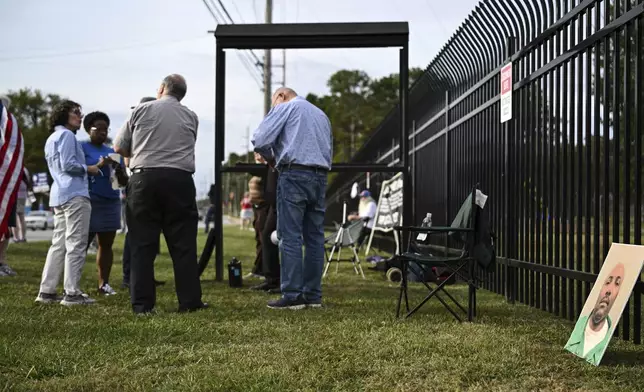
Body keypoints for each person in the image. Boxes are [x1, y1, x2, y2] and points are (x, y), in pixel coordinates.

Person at [114, 74, 206, 314]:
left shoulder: (141, 110)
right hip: (180, 179)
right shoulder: (191, 116)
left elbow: (119, 147)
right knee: (184, 245)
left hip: (145, 179)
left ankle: (143, 305)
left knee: (142, 245)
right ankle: (190, 302)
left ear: (163, 88)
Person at [252, 87, 332, 310]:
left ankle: (293, 294)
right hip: (320, 176)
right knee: (315, 238)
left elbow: (259, 139)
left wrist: (271, 158)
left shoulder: (286, 107)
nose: (273, 108)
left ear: (280, 96)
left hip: (293, 174)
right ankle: (313, 295)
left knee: (290, 236)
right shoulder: (320, 114)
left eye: (273, 103)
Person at [35, 100, 104, 306]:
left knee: (58, 243)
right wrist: (89, 168)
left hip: (59, 194)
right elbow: (68, 165)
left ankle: (47, 291)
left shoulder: (52, 137)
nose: (80, 116)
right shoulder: (66, 135)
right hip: (74, 194)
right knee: (76, 243)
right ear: (63, 114)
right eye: (76, 112)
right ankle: (72, 293)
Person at [81, 111, 129, 295]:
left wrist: (118, 167)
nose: (102, 132)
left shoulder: (112, 152)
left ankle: (104, 284)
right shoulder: (81, 148)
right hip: (90, 200)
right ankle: (72, 283)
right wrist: (100, 164)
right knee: (82, 244)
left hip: (110, 202)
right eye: (98, 128)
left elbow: (121, 183)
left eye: (105, 128)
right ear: (88, 129)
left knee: (106, 244)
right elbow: (77, 171)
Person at [565, 263, 624, 366]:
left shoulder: (608, 333)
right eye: (608, 282)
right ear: (600, 288)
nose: (609, 291)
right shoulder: (580, 327)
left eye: (617, 284)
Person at [250, 152, 280, 292]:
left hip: (274, 204)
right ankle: (271, 278)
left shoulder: (274, 162)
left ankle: (276, 280)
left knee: (270, 237)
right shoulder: (270, 166)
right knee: (266, 237)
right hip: (272, 203)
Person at [12, 167, 32, 243]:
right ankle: (23, 237)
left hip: (15, 195)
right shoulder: (25, 169)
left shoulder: (15, 166)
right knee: (22, 217)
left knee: (14, 218)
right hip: (23, 195)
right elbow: (28, 181)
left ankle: (16, 237)